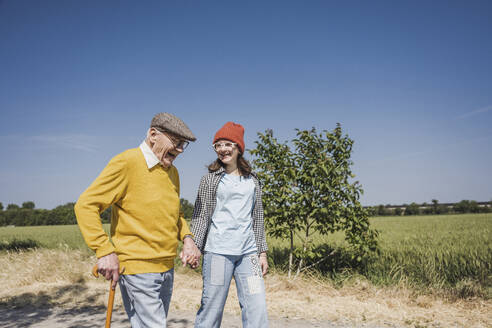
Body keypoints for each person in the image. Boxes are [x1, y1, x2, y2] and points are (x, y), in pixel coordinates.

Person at [75, 113, 201, 328]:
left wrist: (188, 239)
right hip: (137, 269)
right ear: (153, 135)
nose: (180, 150)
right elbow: (86, 205)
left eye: (183, 145)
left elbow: (176, 214)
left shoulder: (172, 172)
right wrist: (104, 251)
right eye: (176, 142)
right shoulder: (127, 162)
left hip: (166, 267)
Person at [191, 121, 269, 328]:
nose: (222, 149)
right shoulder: (210, 180)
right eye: (218, 145)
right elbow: (201, 216)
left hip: (249, 254)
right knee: (212, 308)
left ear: (238, 147)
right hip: (217, 253)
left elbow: (257, 217)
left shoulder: (253, 180)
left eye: (227, 144)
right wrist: (194, 247)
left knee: (257, 306)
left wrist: (262, 253)